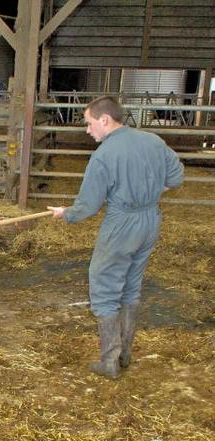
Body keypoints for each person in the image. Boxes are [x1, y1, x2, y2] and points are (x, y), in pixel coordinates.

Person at [47, 95, 184, 379]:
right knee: (131, 285)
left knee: (105, 286)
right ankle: (124, 355)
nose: (87, 130)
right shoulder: (153, 141)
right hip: (149, 221)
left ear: (104, 119)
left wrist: (66, 213)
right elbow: (176, 177)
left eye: (88, 123)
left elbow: (89, 205)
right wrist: (148, 194)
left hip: (122, 223)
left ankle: (109, 360)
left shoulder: (104, 155)